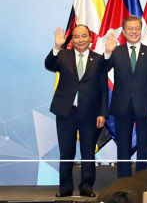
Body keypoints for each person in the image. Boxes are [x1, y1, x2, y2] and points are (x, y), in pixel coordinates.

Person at [45, 25, 107, 198]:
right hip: (66, 112)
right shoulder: (63, 55)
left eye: (84, 36)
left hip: (90, 113)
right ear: (72, 39)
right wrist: (57, 47)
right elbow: (48, 64)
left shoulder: (99, 59)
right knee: (66, 151)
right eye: (77, 36)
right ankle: (65, 187)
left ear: (90, 39)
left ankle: (86, 186)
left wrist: (102, 113)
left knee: (88, 151)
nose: (80, 40)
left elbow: (103, 88)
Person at [102, 15, 147, 178]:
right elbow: (103, 69)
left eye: (137, 28)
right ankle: (124, 180)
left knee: (145, 144)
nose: (134, 32)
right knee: (123, 145)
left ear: (140, 30)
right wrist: (107, 52)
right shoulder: (116, 51)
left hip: (145, 106)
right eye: (130, 29)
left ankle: (143, 179)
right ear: (124, 31)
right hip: (122, 105)